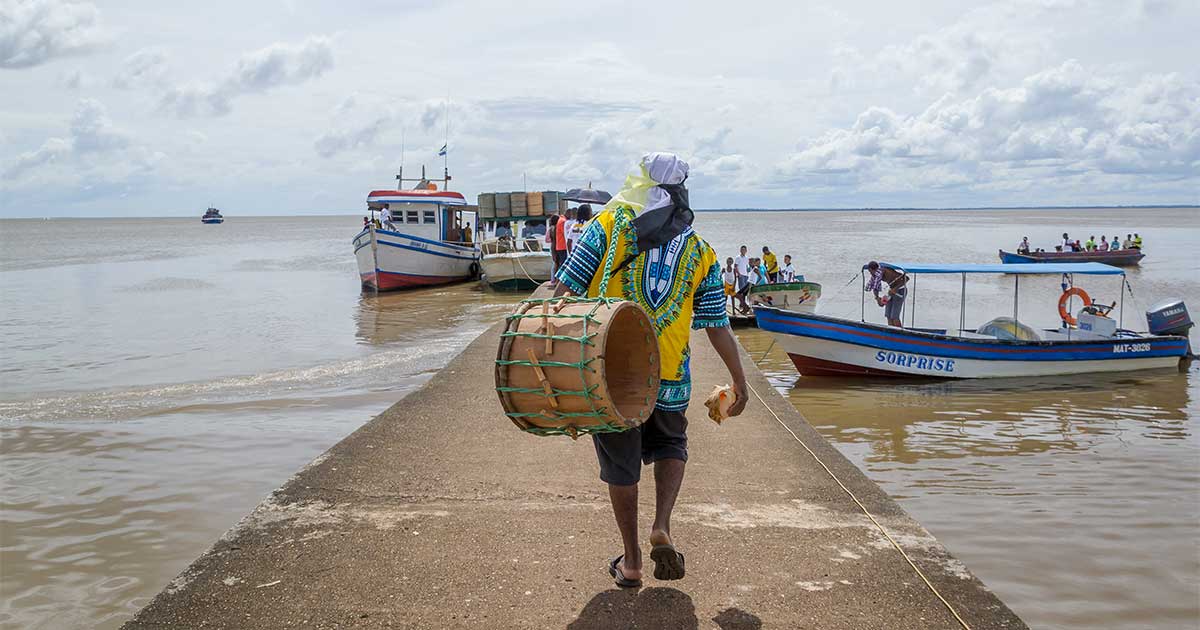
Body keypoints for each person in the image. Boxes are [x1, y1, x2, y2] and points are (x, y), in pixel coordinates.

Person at [554, 153, 748, 589]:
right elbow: (718, 325)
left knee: (621, 465)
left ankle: (634, 561)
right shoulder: (700, 250)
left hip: (610, 375)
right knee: (671, 444)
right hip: (671, 375)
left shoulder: (608, 227)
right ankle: (661, 524)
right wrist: (740, 381)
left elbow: (565, 287)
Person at [865, 261, 908, 327]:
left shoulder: (887, 272)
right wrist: (877, 298)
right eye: (869, 272)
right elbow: (875, 287)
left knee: (894, 316)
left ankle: (899, 334)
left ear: (874, 269)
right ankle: (891, 333)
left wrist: (895, 288)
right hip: (891, 292)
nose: (870, 273)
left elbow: (907, 278)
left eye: (871, 271)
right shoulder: (875, 275)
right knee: (888, 315)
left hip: (900, 291)